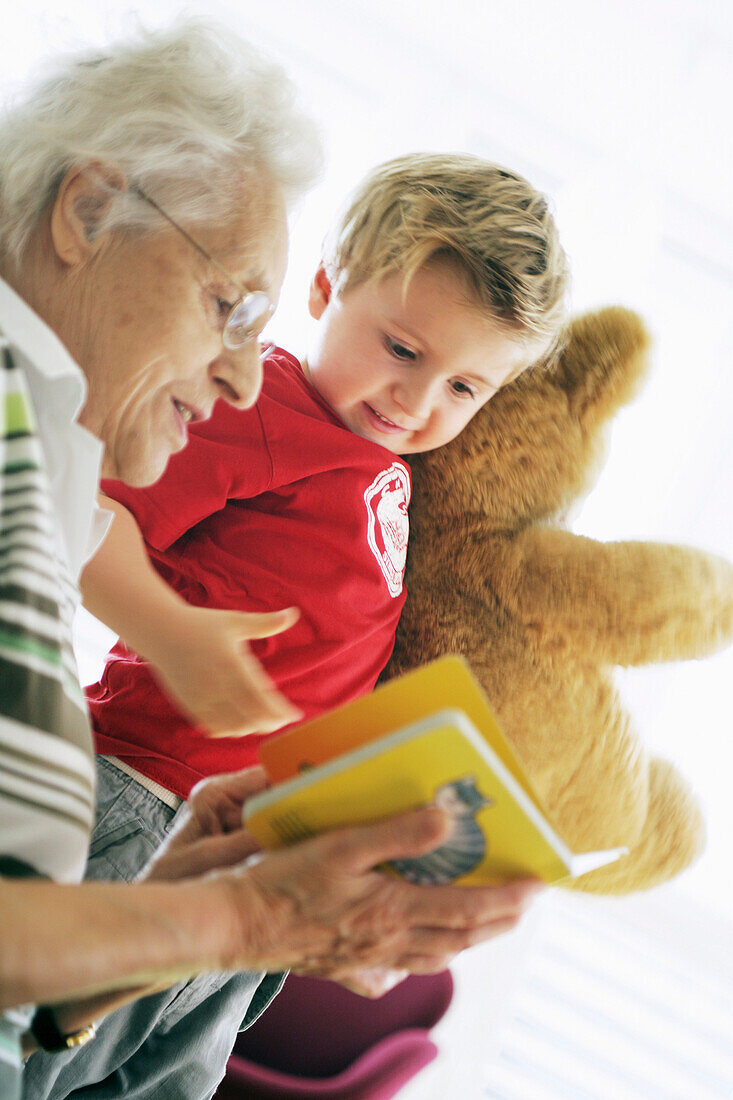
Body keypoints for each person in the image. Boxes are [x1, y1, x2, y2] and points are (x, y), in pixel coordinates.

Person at [0, 23, 543, 1100]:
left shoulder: (383, 473)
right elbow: (99, 517)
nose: (417, 402)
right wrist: (169, 628)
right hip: (143, 793)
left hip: (218, 839)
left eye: (464, 388)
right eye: (229, 305)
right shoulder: (247, 420)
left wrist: (253, 887)